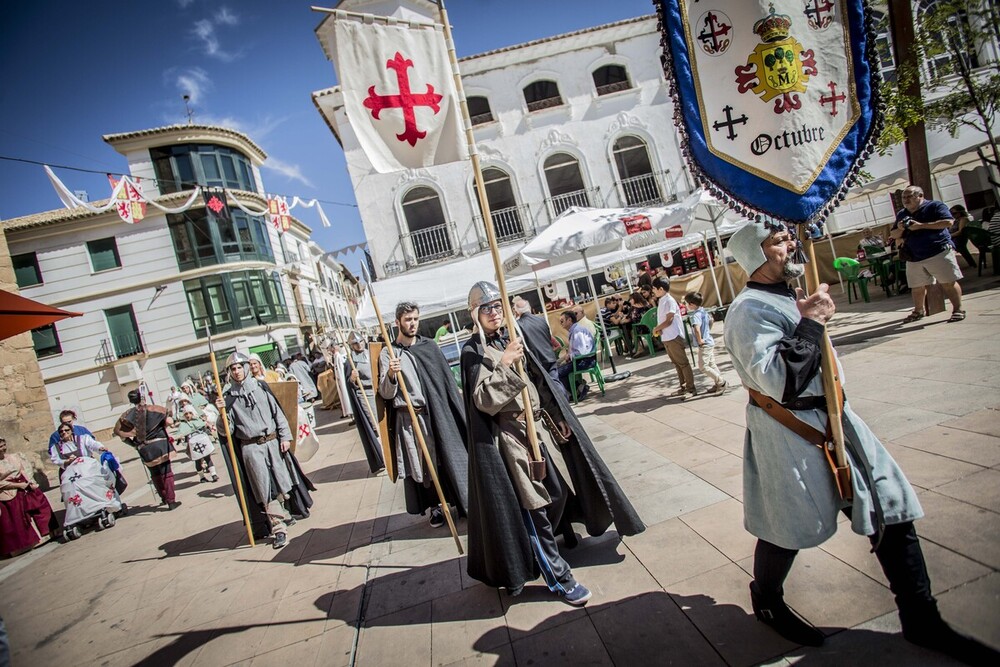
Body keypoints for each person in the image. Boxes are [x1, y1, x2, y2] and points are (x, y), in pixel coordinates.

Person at [723, 222, 998, 663]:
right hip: (793, 429)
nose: (789, 244)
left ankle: (921, 617)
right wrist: (811, 321)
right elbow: (778, 381)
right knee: (787, 526)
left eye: (786, 237)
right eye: (776, 241)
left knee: (889, 506)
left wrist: (807, 314)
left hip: (838, 419)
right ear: (754, 256)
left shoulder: (787, 295)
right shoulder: (747, 310)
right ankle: (768, 599)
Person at [460, 282, 645, 604]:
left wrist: (555, 414)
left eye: (496, 306)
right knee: (536, 511)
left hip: (537, 432)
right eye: (485, 308)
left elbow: (536, 379)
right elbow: (484, 400)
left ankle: (533, 549)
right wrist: (503, 364)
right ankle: (559, 579)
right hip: (510, 440)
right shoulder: (473, 351)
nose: (493, 313)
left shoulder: (510, 338)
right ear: (473, 312)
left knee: (557, 494)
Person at [378, 301, 469, 528]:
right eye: (408, 320)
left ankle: (458, 499)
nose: (412, 324)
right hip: (411, 419)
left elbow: (444, 379)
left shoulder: (429, 345)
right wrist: (391, 373)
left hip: (438, 412)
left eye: (415, 319)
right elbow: (386, 394)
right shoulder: (389, 353)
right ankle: (435, 508)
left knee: (447, 456)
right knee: (423, 466)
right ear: (397, 322)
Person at [215, 352, 308, 548]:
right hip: (250, 447)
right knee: (263, 487)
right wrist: (221, 414)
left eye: (240, 367)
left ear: (247, 368)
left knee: (282, 481)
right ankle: (278, 527)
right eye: (233, 368)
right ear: (230, 373)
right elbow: (226, 431)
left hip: (273, 442)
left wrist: (285, 437)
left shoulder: (261, 387)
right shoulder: (229, 397)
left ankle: (283, 510)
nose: (237, 371)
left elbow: (278, 414)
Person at [889, 185, 965, 323]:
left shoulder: (935, 206)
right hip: (914, 255)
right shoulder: (902, 213)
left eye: (909, 196)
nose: (906, 200)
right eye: (903, 197)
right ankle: (918, 311)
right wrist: (900, 229)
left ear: (920, 196)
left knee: (948, 282)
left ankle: (958, 309)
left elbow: (948, 222)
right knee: (916, 286)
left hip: (938, 250)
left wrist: (921, 225)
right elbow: (893, 234)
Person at [114, 389, 180, 510]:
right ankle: (171, 501)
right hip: (160, 446)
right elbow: (170, 421)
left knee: (155, 474)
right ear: (142, 398)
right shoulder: (155, 409)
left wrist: (134, 445)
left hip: (144, 449)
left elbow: (122, 436)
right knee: (166, 473)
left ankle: (164, 498)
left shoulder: (126, 415)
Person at [1, 436, 56, 557]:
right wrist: (17, 485)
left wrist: (29, 482)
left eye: (2, 444)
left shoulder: (15, 457)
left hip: (25, 485)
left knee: (39, 502)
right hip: (8, 491)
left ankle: (46, 533)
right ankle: (26, 543)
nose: (1, 447)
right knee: (15, 513)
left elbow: (24, 470)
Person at [343, 331, 385, 474]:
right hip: (365, 393)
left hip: (379, 391)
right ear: (351, 345)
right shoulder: (351, 361)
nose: (359, 345)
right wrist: (353, 378)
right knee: (375, 425)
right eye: (355, 343)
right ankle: (382, 456)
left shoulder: (372, 353)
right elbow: (349, 383)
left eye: (360, 342)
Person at [651, 277, 695, 399]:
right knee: (677, 363)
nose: (653, 290)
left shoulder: (669, 300)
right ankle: (683, 386)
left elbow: (669, 319)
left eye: (654, 288)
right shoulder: (662, 300)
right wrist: (660, 329)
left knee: (683, 363)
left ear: (661, 289)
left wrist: (657, 328)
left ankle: (691, 388)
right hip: (667, 336)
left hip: (673, 336)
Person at [684, 291, 727, 396]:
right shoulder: (704, 311)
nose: (686, 305)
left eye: (687, 303)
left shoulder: (696, 315)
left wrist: (700, 340)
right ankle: (718, 383)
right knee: (711, 364)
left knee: (703, 366)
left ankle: (721, 382)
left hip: (704, 343)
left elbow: (697, 329)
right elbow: (711, 320)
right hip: (709, 340)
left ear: (692, 304)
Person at [172, 404, 219, 483]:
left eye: (189, 413)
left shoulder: (198, 420)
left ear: (192, 413)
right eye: (186, 414)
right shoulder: (183, 425)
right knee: (197, 461)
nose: (188, 415)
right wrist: (176, 438)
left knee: (208, 458)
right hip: (193, 445)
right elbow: (180, 434)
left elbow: (205, 425)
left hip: (202, 442)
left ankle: (213, 474)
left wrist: (210, 427)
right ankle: (202, 477)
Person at [555, 310, 596, 400]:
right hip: (584, 359)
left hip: (585, 361)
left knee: (557, 373)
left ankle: (577, 391)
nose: (560, 323)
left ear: (569, 320)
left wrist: (569, 356)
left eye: (562, 321)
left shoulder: (577, 331)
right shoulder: (575, 329)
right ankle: (579, 387)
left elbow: (581, 351)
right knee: (558, 367)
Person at [948, 204, 977, 269]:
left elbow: (960, 232)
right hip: (953, 238)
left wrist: (949, 236)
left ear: (960, 212)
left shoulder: (963, 219)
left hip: (959, 239)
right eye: (951, 213)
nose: (952, 215)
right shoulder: (955, 221)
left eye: (954, 213)